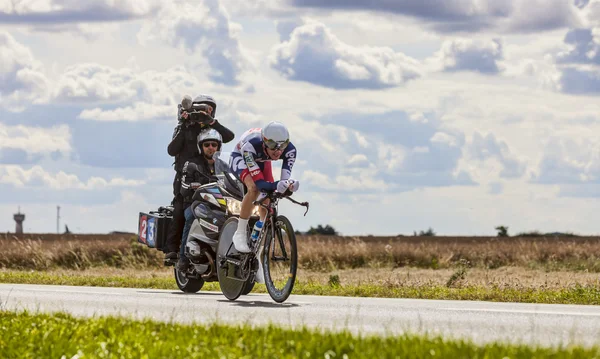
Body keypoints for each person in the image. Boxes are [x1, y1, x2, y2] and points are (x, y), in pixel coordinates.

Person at [164, 94, 235, 265]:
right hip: (186, 176)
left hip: (211, 173)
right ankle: (174, 251)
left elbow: (229, 136)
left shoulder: (212, 129)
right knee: (182, 210)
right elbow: (172, 150)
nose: (204, 111)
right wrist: (183, 124)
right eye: (201, 108)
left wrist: (211, 121)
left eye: (209, 109)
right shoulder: (186, 126)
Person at [228, 122, 300, 282]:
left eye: (282, 147)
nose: (278, 151)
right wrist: (277, 185)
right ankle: (239, 232)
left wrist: (289, 185)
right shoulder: (251, 146)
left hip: (262, 160)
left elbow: (283, 182)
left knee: (268, 203)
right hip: (241, 157)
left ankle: (257, 253)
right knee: (254, 189)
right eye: (273, 146)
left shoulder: (290, 150)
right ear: (264, 141)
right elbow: (260, 185)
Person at [176, 128, 228, 271]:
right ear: (201, 146)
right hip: (195, 202)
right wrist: (194, 186)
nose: (211, 148)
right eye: (207, 145)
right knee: (192, 217)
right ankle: (183, 258)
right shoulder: (192, 164)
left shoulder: (224, 166)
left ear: (218, 146)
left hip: (219, 204)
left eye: (214, 144)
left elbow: (234, 182)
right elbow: (184, 188)